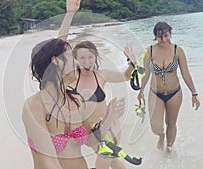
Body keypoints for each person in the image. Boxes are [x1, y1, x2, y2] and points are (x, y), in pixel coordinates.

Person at [22, 1, 126, 168]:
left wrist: (109, 118)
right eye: (72, 56)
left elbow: (92, 141)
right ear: (56, 62)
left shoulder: (76, 100)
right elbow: (50, 162)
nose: (77, 60)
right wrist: (69, 15)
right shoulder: (35, 105)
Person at [70, 41, 136, 168]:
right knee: (114, 161)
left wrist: (131, 63)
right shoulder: (71, 80)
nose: (87, 62)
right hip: (91, 135)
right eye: (82, 58)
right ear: (75, 60)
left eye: (90, 57)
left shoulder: (101, 75)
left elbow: (126, 76)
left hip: (110, 127)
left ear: (95, 57)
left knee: (103, 164)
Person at [137, 22, 200, 152]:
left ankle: (169, 151)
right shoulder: (149, 51)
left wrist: (194, 93)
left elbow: (185, 73)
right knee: (156, 127)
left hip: (174, 93)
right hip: (155, 93)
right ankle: (161, 136)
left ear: (170, 34)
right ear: (155, 36)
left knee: (171, 124)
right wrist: (141, 91)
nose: (164, 40)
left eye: (166, 35)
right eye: (160, 37)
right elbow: (146, 73)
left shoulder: (178, 50)